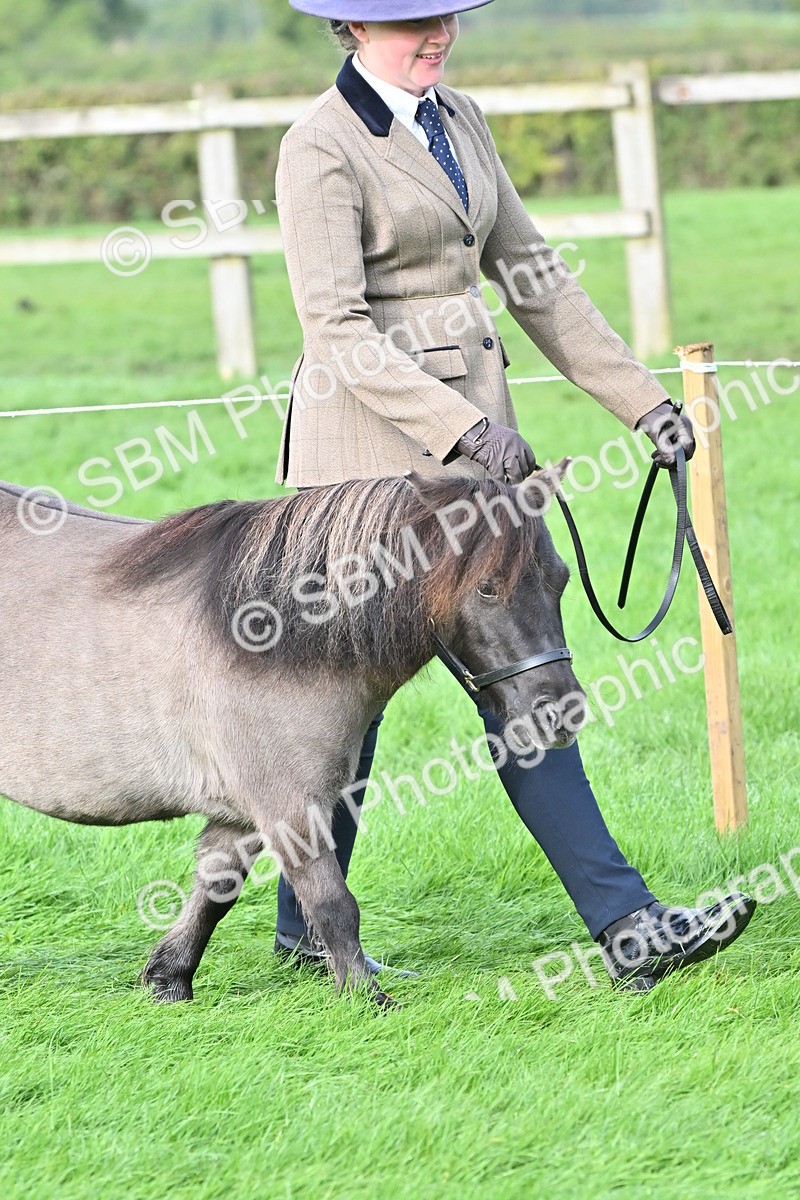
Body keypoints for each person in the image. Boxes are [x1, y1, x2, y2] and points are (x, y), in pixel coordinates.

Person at [272, 0, 755, 991]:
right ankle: (300, 932)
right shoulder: (317, 149)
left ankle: (627, 929)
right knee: (341, 722)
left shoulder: (460, 120)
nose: (435, 34)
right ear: (353, 33)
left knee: (523, 696)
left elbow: (532, 279)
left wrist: (639, 404)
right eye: (411, 23)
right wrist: (459, 425)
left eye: (442, 16)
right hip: (365, 477)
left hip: (470, 483)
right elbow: (335, 331)